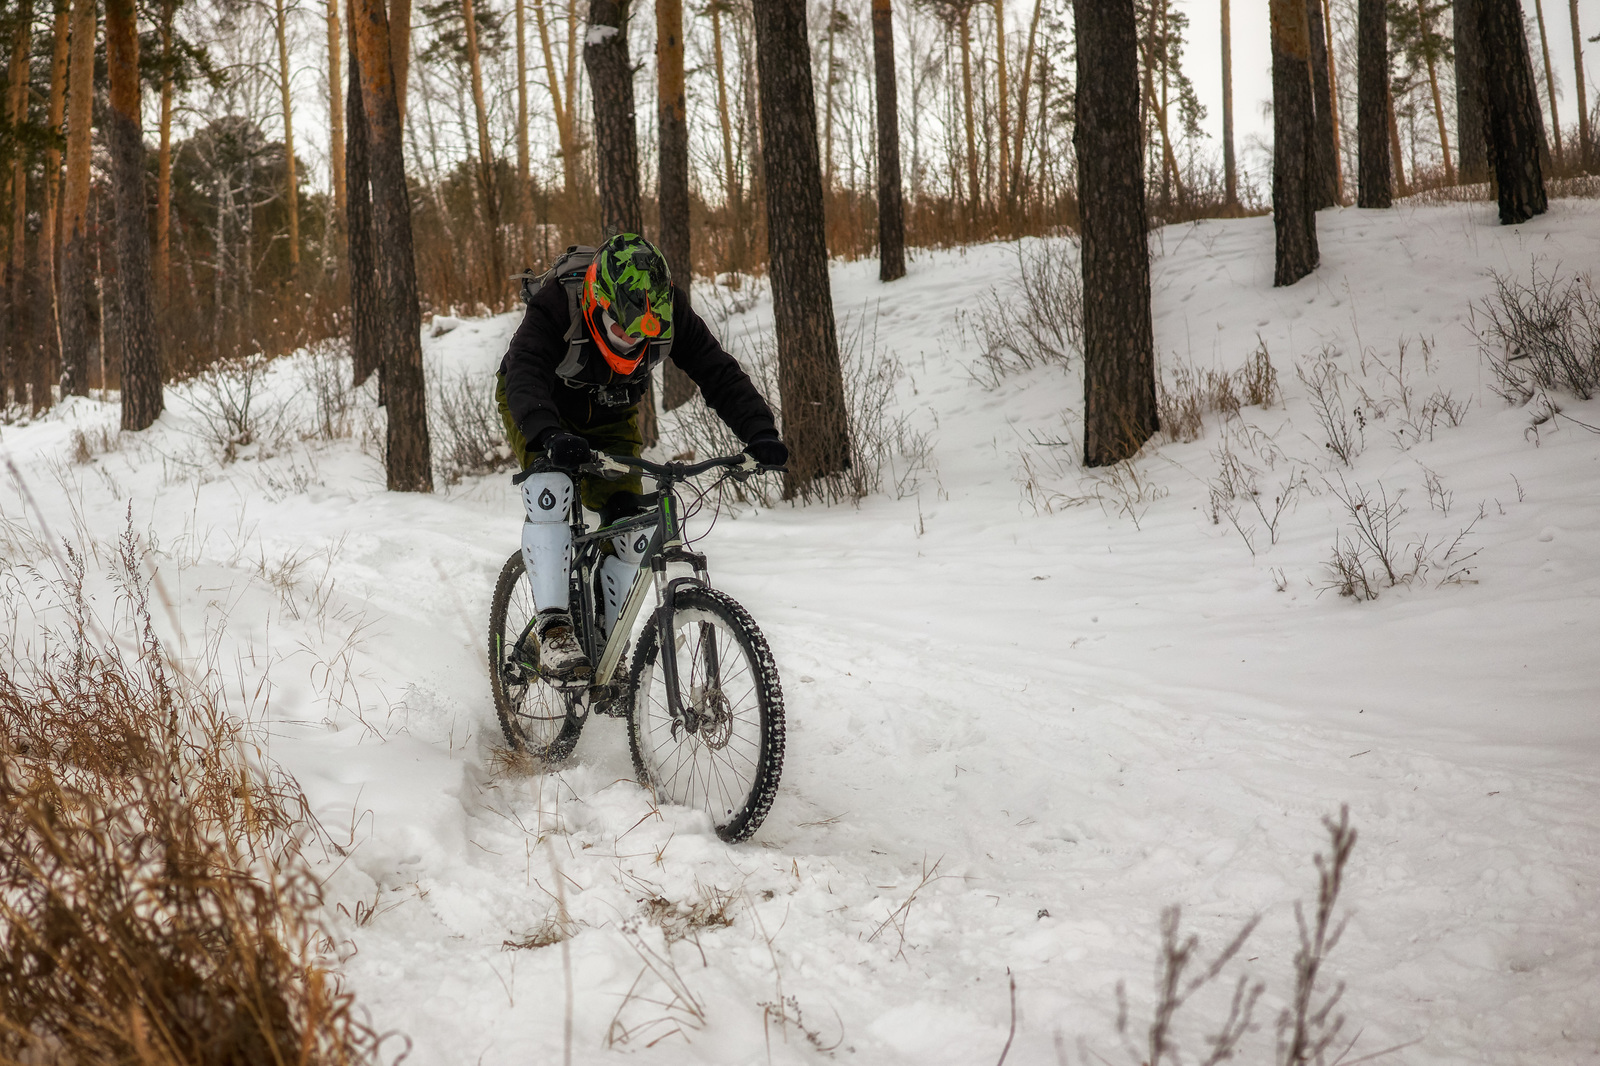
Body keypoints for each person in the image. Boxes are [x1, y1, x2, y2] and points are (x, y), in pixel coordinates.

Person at [496, 232, 787, 684]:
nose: (631, 344)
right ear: (597, 303)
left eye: (642, 335)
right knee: (551, 486)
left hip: (610, 413)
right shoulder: (558, 305)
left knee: (629, 530)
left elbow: (718, 373)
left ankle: (606, 652)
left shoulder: (670, 312)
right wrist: (547, 434)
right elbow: (526, 370)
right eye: (622, 329)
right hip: (539, 404)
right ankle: (554, 628)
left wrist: (761, 434)